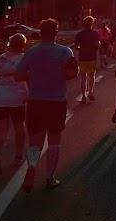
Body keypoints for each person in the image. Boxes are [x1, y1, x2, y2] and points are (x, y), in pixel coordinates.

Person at [14, 18, 78, 192]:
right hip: (56, 101)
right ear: (56, 33)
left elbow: (18, 76)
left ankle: (32, 166)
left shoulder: (31, 52)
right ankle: (50, 177)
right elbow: (72, 73)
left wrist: (32, 76)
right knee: (54, 140)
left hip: (35, 101)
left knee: (35, 141)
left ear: (40, 34)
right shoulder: (65, 51)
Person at [0, 32, 28, 176]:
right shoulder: (23, 58)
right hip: (17, 98)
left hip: (1, 99)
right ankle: (18, 156)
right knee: (19, 128)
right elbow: (28, 75)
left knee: (2, 130)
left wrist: (0, 78)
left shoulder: (2, 58)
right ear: (23, 45)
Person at [74, 16, 101, 103]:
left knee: (83, 78)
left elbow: (76, 46)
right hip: (91, 57)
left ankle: (83, 96)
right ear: (92, 24)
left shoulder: (80, 34)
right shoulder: (94, 33)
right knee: (91, 76)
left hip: (82, 57)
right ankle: (90, 92)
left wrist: (80, 50)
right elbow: (96, 44)